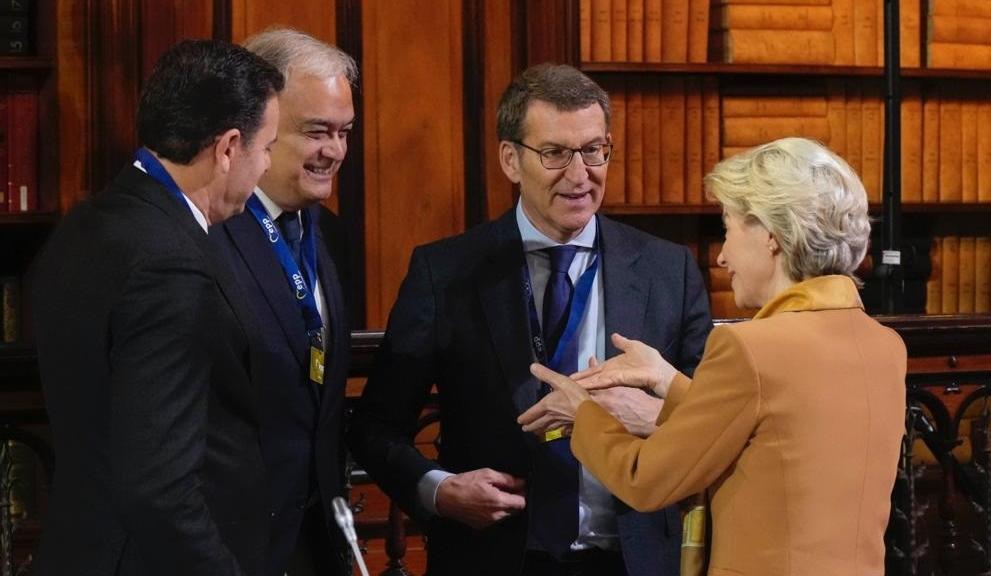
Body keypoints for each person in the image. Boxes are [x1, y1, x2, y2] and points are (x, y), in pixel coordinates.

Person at [348, 63, 712, 576]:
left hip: (634, 559)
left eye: (594, 150)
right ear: (511, 160)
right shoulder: (446, 272)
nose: (580, 175)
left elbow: (713, 420)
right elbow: (376, 427)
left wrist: (657, 418)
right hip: (493, 555)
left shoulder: (666, 269)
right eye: (555, 154)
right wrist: (441, 490)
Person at [520, 137, 908, 576]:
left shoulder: (752, 348)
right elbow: (776, 428)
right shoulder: (886, 346)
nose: (722, 256)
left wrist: (584, 411)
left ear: (771, 236)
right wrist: (668, 380)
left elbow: (645, 479)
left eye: (728, 227)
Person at [30, 40, 282, 576]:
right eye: (268, 147)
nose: (266, 166)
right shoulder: (169, 264)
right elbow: (159, 489)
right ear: (229, 147)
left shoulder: (85, 225)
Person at [210, 27, 357, 576]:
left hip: (315, 540)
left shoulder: (331, 234)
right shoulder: (207, 235)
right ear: (257, 125)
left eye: (344, 133)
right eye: (317, 131)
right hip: (232, 546)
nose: (334, 151)